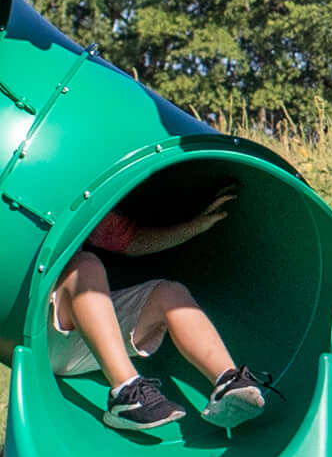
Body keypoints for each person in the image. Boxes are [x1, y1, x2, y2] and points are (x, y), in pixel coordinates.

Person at [48, 184, 265, 435]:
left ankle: (229, 382)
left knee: (169, 294)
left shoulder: (75, 192)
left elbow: (127, 239)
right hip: (44, 334)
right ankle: (126, 393)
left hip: (93, 339)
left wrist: (193, 227)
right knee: (85, 267)